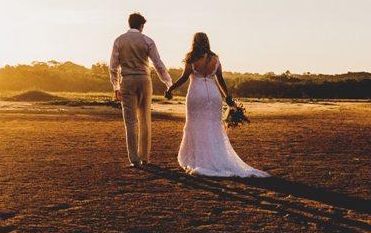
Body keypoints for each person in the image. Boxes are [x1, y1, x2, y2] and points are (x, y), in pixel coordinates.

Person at [165, 32, 268, 177]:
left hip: (196, 94)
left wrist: (171, 88)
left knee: (195, 125)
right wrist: (227, 97)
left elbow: (184, 77)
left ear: (194, 42)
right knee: (213, 127)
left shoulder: (191, 58)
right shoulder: (215, 59)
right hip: (213, 95)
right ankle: (214, 158)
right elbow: (220, 78)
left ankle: (198, 159)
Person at [110, 12, 172, 167]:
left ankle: (134, 159)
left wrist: (116, 86)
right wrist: (168, 83)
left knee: (129, 121)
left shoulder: (119, 40)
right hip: (144, 79)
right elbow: (158, 63)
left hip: (127, 79)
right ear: (141, 26)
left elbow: (113, 67)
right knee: (145, 119)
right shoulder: (147, 40)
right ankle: (145, 157)